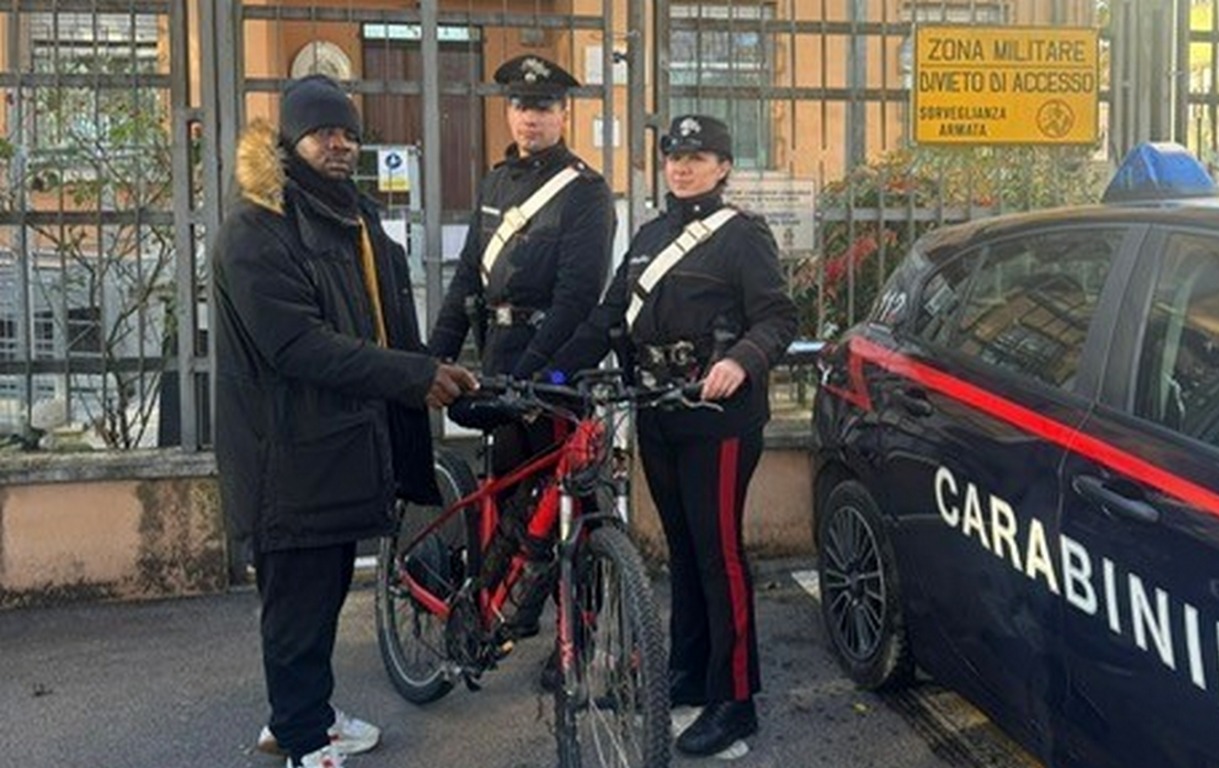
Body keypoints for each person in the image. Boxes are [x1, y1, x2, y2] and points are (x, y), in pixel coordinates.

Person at [212, 74, 476, 768]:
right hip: (285, 454)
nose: (340, 143)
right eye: (324, 131)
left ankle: (297, 719)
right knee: (297, 605)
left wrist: (435, 366)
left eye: (350, 132)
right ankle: (305, 743)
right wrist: (414, 377)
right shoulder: (257, 226)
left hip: (333, 449)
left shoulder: (352, 219)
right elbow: (296, 345)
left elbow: (385, 324)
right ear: (291, 141)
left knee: (321, 596)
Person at [548, 115, 798, 757]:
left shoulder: (743, 236)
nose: (683, 167)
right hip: (656, 411)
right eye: (675, 158)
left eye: (699, 157)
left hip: (718, 418)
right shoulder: (649, 236)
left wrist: (740, 360)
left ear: (723, 167)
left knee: (720, 557)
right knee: (683, 552)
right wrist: (547, 373)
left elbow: (777, 316)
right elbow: (609, 317)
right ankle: (688, 674)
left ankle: (735, 700)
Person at [426, 54, 616, 640]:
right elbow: (467, 279)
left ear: (563, 113)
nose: (529, 119)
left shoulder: (585, 191)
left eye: (542, 107)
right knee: (504, 497)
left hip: (553, 367)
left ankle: (578, 640)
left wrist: (535, 374)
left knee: (568, 510)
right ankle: (499, 614)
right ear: (507, 112)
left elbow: (579, 294)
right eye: (519, 106)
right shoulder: (494, 183)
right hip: (502, 360)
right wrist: (432, 358)